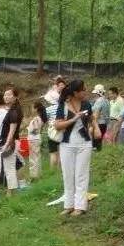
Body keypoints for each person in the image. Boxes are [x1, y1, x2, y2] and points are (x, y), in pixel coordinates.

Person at [54, 79, 101, 216]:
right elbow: (57, 125)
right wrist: (74, 119)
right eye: (83, 90)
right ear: (75, 92)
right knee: (68, 175)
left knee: (81, 174)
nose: (85, 92)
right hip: (67, 144)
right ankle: (69, 205)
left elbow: (92, 118)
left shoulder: (86, 104)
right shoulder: (63, 105)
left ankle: (80, 206)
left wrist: (97, 129)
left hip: (84, 144)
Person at [0, 87, 24, 195]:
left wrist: (6, 144)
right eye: (5, 95)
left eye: (9, 95)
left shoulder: (14, 112)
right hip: (13, 142)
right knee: (11, 166)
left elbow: (11, 131)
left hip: (10, 142)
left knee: (9, 168)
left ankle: (10, 193)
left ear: (15, 97)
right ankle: (12, 190)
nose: (6, 97)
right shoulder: (14, 109)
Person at [44, 76, 66, 167]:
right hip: (63, 130)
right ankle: (60, 170)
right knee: (61, 152)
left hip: (51, 131)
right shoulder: (64, 108)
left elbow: (45, 120)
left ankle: (52, 171)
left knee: (53, 153)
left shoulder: (48, 109)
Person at [27, 101, 47, 180]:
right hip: (37, 138)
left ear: (36, 109)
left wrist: (29, 128)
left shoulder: (36, 119)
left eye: (33, 107)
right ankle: (38, 174)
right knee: (37, 157)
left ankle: (34, 176)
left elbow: (34, 129)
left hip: (33, 138)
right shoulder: (41, 118)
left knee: (33, 158)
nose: (31, 109)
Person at [91, 84, 110, 151]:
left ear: (98, 93)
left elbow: (96, 114)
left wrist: (93, 125)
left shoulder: (99, 101)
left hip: (98, 124)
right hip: (104, 124)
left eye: (95, 93)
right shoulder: (107, 100)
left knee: (95, 143)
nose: (94, 94)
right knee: (99, 142)